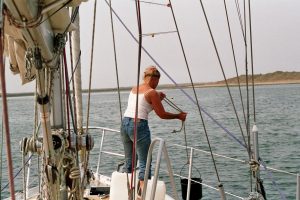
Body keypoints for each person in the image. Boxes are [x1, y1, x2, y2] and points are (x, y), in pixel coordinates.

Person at [120, 66, 187, 196]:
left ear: (144, 77)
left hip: (125, 124)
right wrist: (178, 116)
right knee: (145, 162)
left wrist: (158, 98)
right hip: (139, 125)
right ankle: (141, 195)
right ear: (155, 80)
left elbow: (142, 106)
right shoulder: (152, 93)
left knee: (130, 161)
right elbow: (161, 114)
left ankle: (124, 191)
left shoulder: (134, 89)